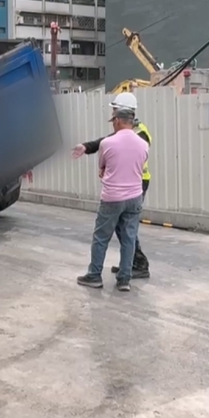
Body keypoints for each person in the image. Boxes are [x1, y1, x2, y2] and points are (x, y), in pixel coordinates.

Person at [71, 92, 153, 279]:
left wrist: (103, 162)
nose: (113, 113)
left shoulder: (141, 133)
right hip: (131, 183)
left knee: (125, 228)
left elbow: (113, 144)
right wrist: (86, 146)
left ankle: (138, 264)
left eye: (115, 110)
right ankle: (127, 267)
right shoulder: (128, 131)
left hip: (135, 182)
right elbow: (108, 140)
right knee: (124, 227)